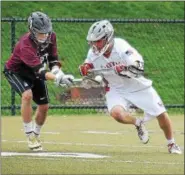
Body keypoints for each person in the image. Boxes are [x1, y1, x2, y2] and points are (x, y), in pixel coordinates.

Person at [79, 20, 182, 154]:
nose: (95, 45)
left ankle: (172, 144)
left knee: (161, 113)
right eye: (93, 42)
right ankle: (137, 123)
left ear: (108, 38)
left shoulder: (121, 46)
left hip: (136, 85)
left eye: (98, 41)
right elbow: (89, 66)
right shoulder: (93, 53)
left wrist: (125, 68)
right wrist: (85, 69)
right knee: (116, 114)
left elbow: (139, 67)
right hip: (116, 88)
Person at [3, 11, 74, 151]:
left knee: (44, 106)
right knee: (27, 95)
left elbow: (53, 59)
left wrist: (58, 73)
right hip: (17, 72)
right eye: (40, 33)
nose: (44, 36)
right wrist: (57, 78)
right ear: (32, 30)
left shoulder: (51, 36)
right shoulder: (25, 45)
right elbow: (40, 71)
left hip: (36, 72)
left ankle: (36, 134)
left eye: (46, 32)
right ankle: (29, 135)